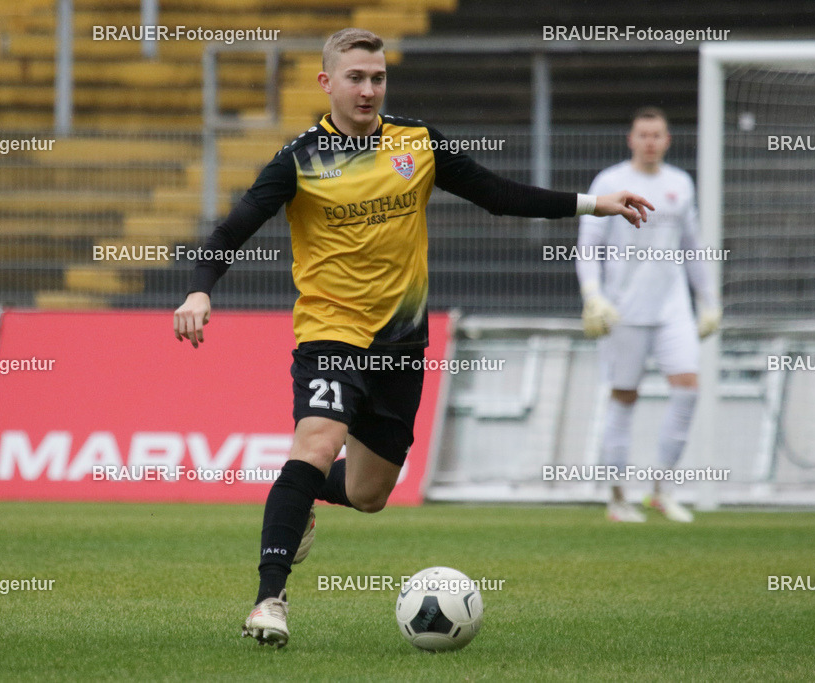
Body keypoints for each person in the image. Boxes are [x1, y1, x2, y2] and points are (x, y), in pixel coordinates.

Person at [174, 27, 653, 647]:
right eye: (355, 77)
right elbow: (232, 228)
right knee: (316, 442)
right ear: (327, 83)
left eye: (377, 77)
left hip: (401, 342)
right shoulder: (300, 159)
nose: (369, 88)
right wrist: (198, 289)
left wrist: (595, 204)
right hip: (330, 332)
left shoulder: (417, 143)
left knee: (370, 493)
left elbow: (498, 196)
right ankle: (270, 599)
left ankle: (299, 496)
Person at [576, 106, 721, 524]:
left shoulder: (680, 184)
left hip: (672, 307)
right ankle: (618, 498)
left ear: (668, 140)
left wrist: (708, 300)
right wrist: (593, 295)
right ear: (631, 139)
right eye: (643, 134)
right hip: (624, 311)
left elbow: (693, 247)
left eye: (657, 135)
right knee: (624, 398)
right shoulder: (610, 181)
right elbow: (589, 246)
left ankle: (661, 490)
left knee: (688, 389)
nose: (650, 142)